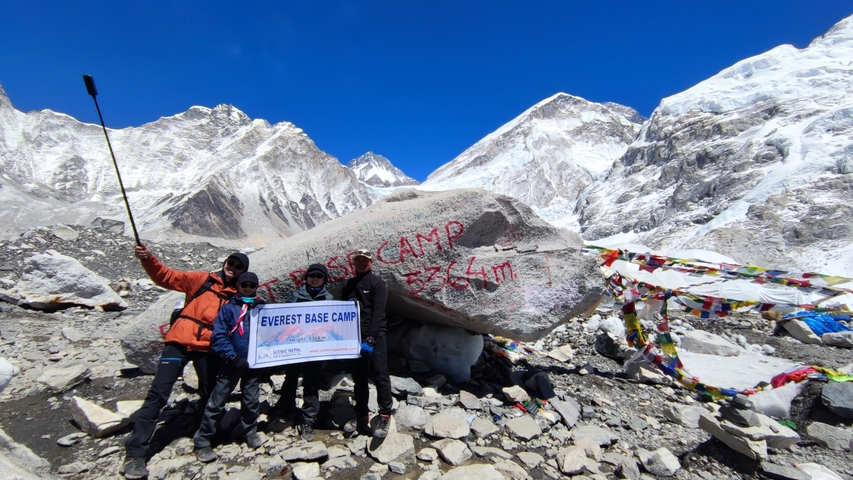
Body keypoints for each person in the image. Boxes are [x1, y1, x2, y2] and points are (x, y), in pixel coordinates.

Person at [123, 245, 248, 480]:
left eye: (238, 266)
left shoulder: (238, 295)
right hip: (179, 341)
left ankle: (201, 436)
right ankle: (135, 453)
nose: (232, 268)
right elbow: (166, 276)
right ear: (225, 263)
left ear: (243, 272)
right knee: (158, 394)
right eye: (230, 263)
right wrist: (149, 259)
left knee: (209, 392)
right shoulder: (201, 280)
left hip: (209, 347)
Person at [193, 272, 266, 462]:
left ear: (256, 287)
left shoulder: (260, 308)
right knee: (217, 401)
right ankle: (203, 440)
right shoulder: (228, 309)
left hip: (253, 363)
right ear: (238, 286)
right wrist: (232, 357)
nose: (248, 288)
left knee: (251, 399)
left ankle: (249, 431)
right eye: (245, 285)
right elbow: (218, 336)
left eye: (252, 285)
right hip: (231, 363)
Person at [277, 264, 334, 441]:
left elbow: (332, 323)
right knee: (291, 377)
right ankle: (285, 409)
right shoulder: (296, 296)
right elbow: (283, 316)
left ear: (324, 279)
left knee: (311, 382)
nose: (315, 278)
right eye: (312, 275)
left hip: (314, 348)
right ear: (306, 278)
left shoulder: (329, 299)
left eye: (319, 276)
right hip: (296, 345)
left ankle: (308, 419)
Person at [341, 249, 393, 438]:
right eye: (358, 261)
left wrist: (370, 338)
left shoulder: (377, 283)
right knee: (359, 376)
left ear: (371, 263)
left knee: (380, 372)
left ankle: (385, 414)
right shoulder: (348, 284)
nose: (361, 263)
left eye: (365, 260)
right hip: (354, 335)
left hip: (375, 335)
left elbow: (378, 312)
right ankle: (361, 414)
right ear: (354, 263)